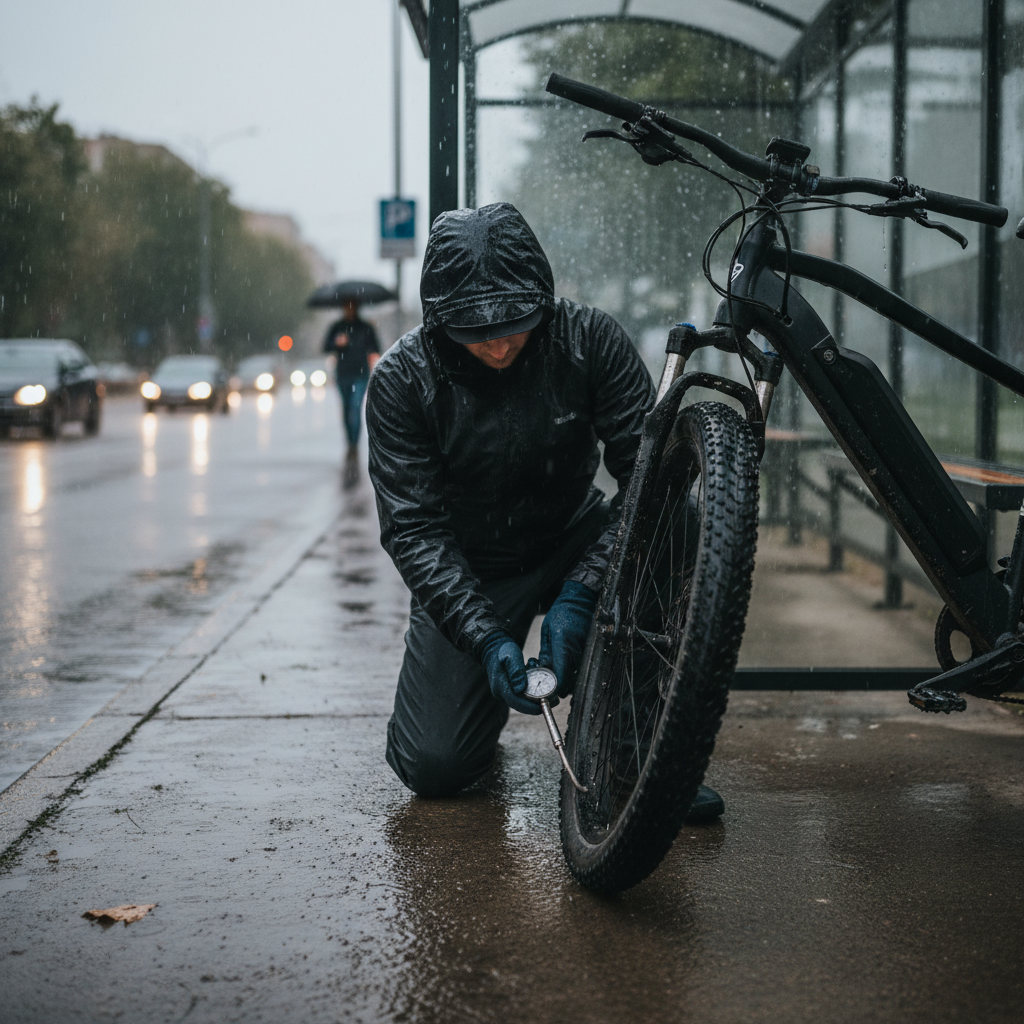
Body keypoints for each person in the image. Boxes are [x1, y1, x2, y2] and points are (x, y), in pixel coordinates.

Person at [366, 202, 723, 819]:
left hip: (573, 537)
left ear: (544, 300)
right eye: (476, 330)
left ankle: (633, 747)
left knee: (678, 521)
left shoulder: (591, 340)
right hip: (471, 562)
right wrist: (481, 635)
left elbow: (650, 477)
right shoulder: (402, 379)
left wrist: (586, 590)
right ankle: (478, 704)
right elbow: (414, 529)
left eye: (514, 321)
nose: (499, 342)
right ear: (438, 320)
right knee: (436, 765)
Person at [323, 299, 381, 479]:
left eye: (352, 306)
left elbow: (375, 348)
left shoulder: (366, 327)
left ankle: (354, 445)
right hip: (343, 375)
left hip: (361, 374)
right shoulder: (337, 327)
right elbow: (325, 347)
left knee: (355, 408)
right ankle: (350, 442)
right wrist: (336, 343)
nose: (349, 310)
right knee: (347, 409)